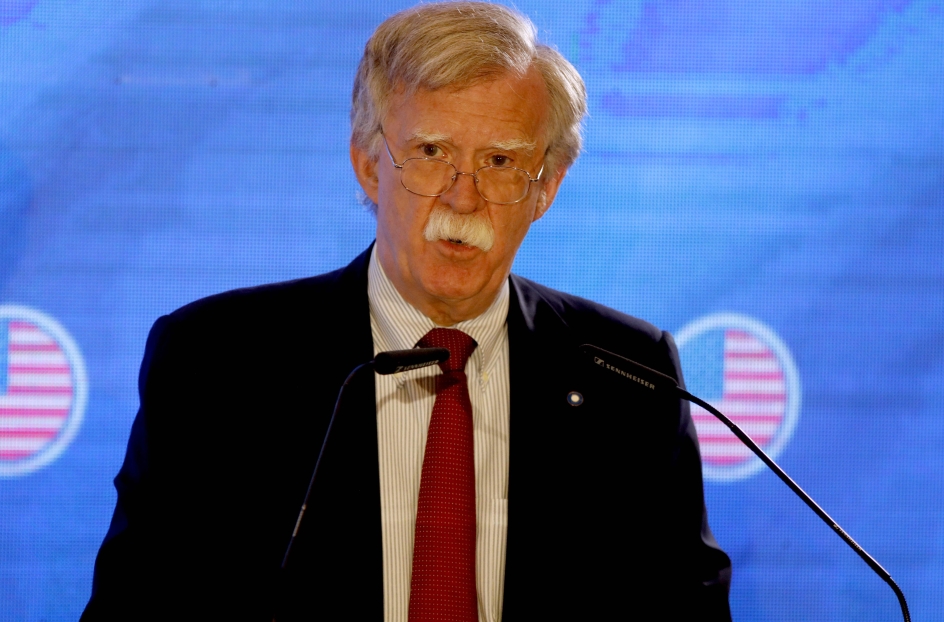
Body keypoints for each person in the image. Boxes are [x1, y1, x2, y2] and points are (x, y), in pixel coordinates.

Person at [81, 2, 732, 620]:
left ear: (547, 188)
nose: (463, 197)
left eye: (500, 162)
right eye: (430, 154)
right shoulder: (218, 361)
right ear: (368, 166)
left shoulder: (628, 376)